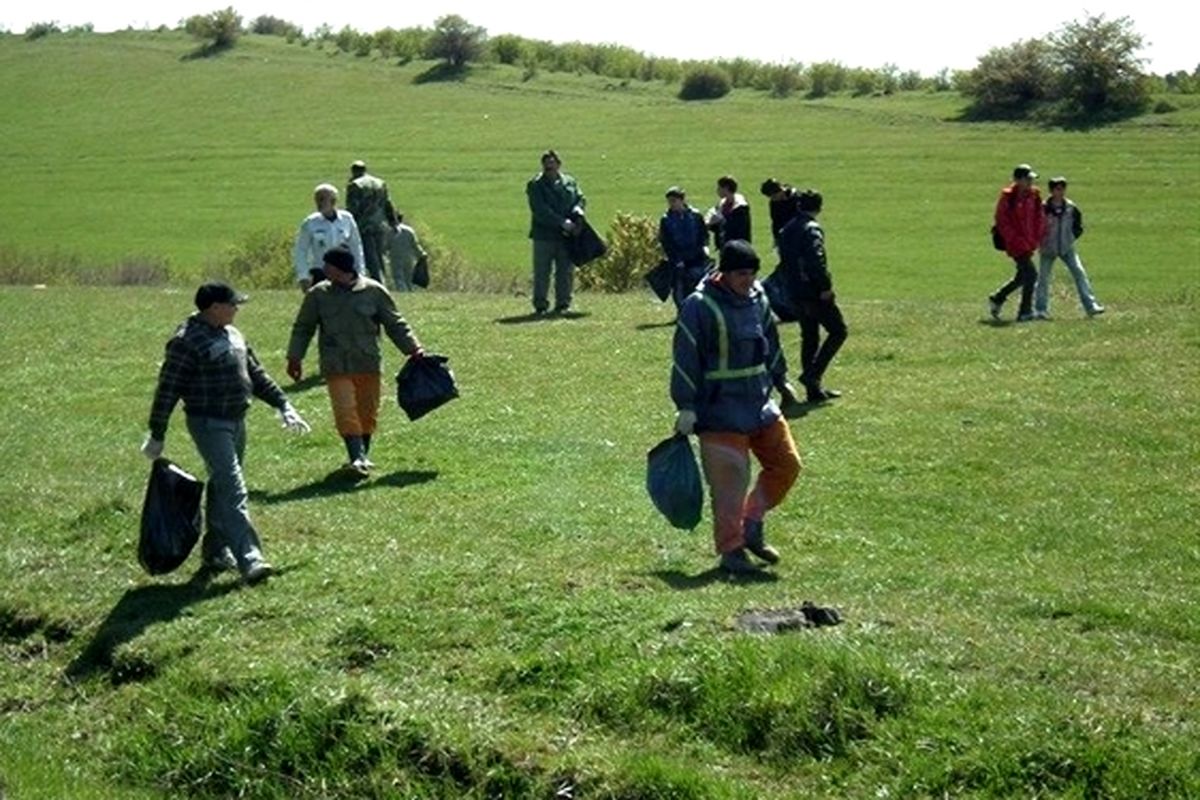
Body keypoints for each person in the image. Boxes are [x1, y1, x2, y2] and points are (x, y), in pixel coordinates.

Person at [142, 282, 311, 584]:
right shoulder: (186, 341)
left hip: (237, 420)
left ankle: (216, 551)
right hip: (208, 423)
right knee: (233, 487)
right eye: (232, 304)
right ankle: (251, 560)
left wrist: (283, 404)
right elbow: (168, 388)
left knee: (221, 486)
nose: (236, 309)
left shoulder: (234, 335)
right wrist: (157, 432)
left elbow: (256, 373)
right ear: (214, 307)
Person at [672, 240, 804, 574]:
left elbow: (770, 340)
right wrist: (686, 406)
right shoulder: (698, 306)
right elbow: (686, 356)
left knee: (787, 464)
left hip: (759, 403)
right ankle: (732, 553)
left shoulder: (758, 298)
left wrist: (782, 379)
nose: (748, 280)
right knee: (729, 485)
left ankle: (753, 524)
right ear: (724, 273)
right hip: (718, 410)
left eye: (751, 273)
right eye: (741, 274)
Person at [286, 247, 425, 476]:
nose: (323, 269)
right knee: (345, 410)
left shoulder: (374, 292)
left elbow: (395, 324)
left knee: (367, 413)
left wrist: (414, 349)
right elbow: (303, 328)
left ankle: (362, 458)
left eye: (327, 265)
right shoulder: (318, 295)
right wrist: (295, 357)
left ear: (341, 269)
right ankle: (356, 458)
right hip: (335, 365)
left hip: (368, 363)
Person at [778, 189, 847, 403]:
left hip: (793, 290)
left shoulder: (787, 229)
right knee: (838, 331)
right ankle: (812, 376)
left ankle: (814, 389)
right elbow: (816, 261)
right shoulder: (811, 229)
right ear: (818, 207)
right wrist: (825, 286)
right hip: (812, 291)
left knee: (809, 335)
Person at [1035, 176, 1105, 319]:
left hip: (1067, 248)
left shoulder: (1071, 207)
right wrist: (1041, 241)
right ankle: (1041, 309)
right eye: (1057, 189)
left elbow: (1078, 226)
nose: (1060, 192)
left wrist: (1071, 238)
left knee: (1079, 273)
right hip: (1048, 248)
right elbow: (1036, 226)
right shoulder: (1043, 209)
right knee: (1043, 279)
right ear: (1051, 191)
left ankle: (1090, 306)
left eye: (1062, 189)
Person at [526, 149, 586, 315]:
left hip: (565, 236)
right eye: (546, 166)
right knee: (542, 272)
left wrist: (578, 211)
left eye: (552, 165)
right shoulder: (535, 185)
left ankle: (563, 304)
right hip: (544, 236)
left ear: (559, 165)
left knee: (565, 271)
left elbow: (580, 198)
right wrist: (561, 222)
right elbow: (540, 210)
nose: (549, 169)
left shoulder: (570, 182)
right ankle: (540, 305)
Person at [988, 164, 1045, 322]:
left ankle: (998, 297)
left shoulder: (1034, 195)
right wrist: (1016, 240)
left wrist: (1036, 238)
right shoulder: (1008, 197)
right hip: (1015, 244)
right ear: (1017, 180)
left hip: (1030, 242)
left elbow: (1039, 218)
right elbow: (1002, 222)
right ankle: (1025, 311)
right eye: (1027, 179)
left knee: (1022, 276)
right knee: (1032, 275)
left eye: (1031, 179)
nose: (1030, 182)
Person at [293, 183, 365, 292]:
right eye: (317, 200)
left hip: (343, 273)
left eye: (322, 199)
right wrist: (303, 276)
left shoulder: (347, 219)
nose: (319, 203)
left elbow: (356, 246)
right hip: (320, 273)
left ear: (333, 201)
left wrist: (360, 273)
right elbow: (301, 251)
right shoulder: (310, 223)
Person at [658, 186, 710, 310]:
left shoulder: (696, 215)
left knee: (697, 285)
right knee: (679, 288)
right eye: (669, 201)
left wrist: (705, 248)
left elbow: (703, 234)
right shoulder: (666, 220)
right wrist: (676, 259)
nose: (671, 204)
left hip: (696, 257)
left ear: (682, 200)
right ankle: (683, 312)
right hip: (678, 260)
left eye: (674, 201)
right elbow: (666, 242)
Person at [346, 160, 395, 284]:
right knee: (380, 256)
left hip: (363, 226)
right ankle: (384, 281)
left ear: (353, 171)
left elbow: (353, 208)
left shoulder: (355, 185)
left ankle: (377, 283)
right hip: (380, 225)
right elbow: (388, 204)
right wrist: (393, 222)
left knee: (369, 257)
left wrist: (347, 225)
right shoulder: (380, 183)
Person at [386, 207, 429, 292]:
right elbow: (415, 245)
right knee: (408, 278)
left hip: (395, 258)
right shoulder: (409, 231)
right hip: (409, 258)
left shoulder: (389, 231)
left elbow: (386, 246)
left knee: (398, 278)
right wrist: (421, 254)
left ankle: (403, 293)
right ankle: (410, 293)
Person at [706, 175, 752, 249]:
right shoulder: (722, 204)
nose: (717, 191)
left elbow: (737, 229)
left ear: (726, 188)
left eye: (719, 188)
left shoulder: (741, 208)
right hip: (725, 247)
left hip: (738, 249)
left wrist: (719, 220)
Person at [760, 178, 799, 249]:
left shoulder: (797, 198)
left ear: (780, 191)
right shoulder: (774, 203)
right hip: (785, 236)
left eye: (773, 196)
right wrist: (776, 238)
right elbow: (776, 221)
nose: (772, 199)